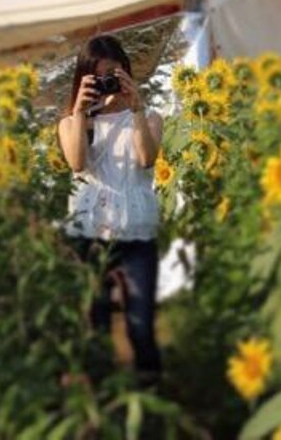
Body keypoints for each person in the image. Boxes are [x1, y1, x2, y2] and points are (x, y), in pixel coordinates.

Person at [58, 34, 163, 384]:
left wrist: (137, 108)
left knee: (141, 324)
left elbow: (146, 158)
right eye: (99, 77)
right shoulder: (70, 123)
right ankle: (102, 396)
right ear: (84, 79)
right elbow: (77, 163)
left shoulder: (150, 117)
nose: (107, 84)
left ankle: (150, 393)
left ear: (127, 72)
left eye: (113, 75)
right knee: (95, 322)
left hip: (136, 231)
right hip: (89, 233)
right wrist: (79, 112)